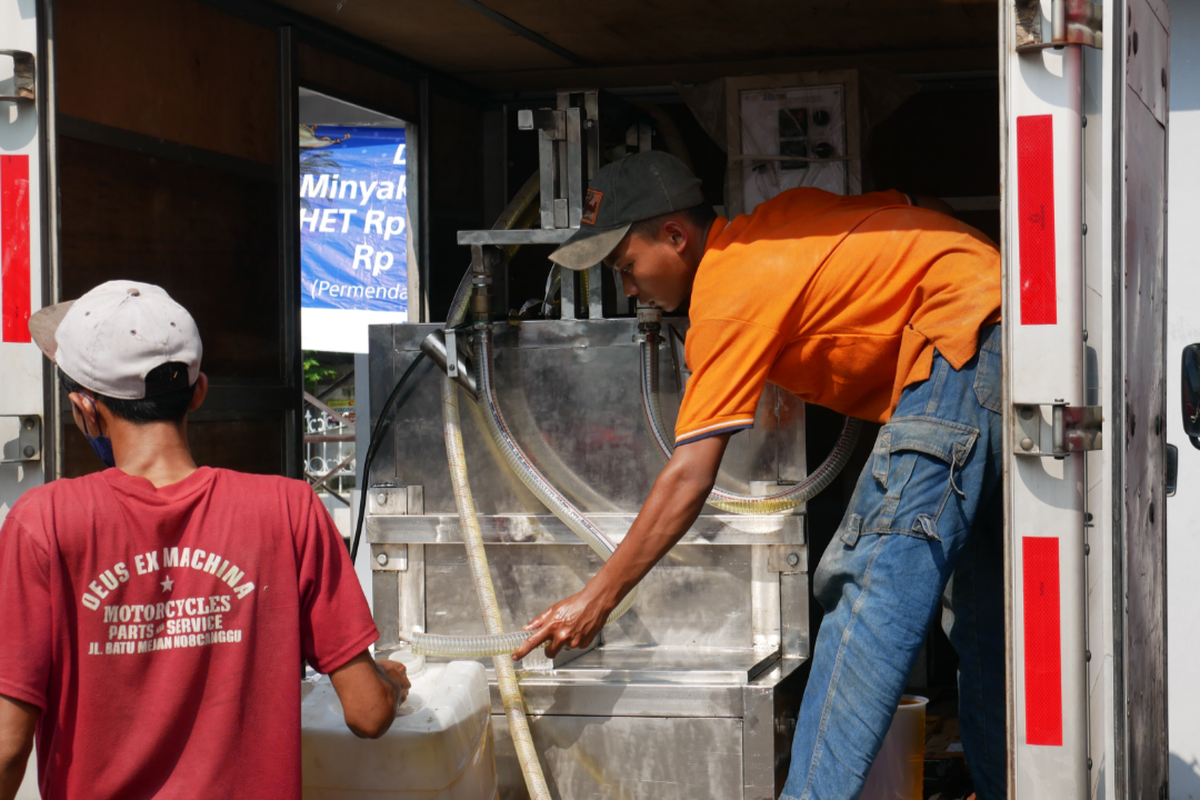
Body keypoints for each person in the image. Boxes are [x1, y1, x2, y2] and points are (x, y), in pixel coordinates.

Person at [511, 151, 1005, 800]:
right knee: (982, 620)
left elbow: (690, 475)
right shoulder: (776, 224)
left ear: (676, 237)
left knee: (868, 593)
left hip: (957, 351)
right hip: (1009, 327)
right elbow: (917, 209)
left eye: (626, 267)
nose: (627, 288)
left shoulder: (724, 293)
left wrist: (597, 598)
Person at [0, 281, 409, 800]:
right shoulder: (288, 509)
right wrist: (390, 687)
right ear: (199, 392)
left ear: (84, 408)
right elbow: (369, 713)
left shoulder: (44, 522)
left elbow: (7, 748)